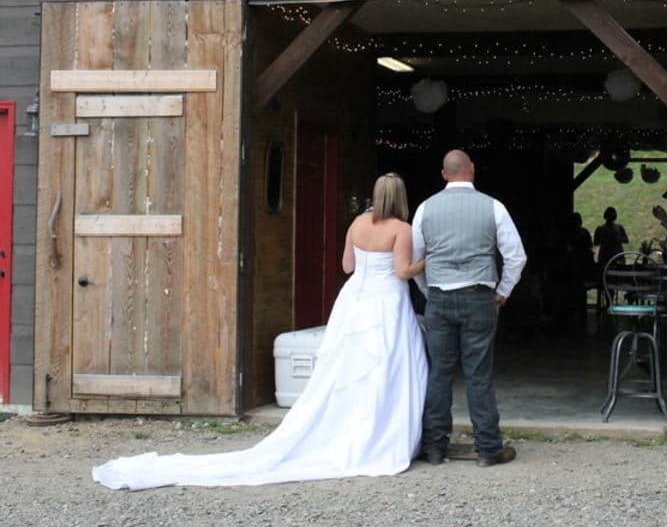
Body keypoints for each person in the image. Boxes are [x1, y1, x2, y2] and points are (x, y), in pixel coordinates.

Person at [92, 173, 428, 490]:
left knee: (345, 365)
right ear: (401, 198)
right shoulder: (402, 229)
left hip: (354, 300)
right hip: (385, 301)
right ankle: (376, 429)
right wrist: (427, 261)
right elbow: (402, 272)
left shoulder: (357, 224)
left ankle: (344, 424)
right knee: (385, 364)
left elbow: (347, 266)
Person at [412, 150, 527, 467]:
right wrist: (502, 291)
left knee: (439, 373)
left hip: (439, 296)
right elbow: (516, 256)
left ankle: (434, 447)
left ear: (443, 174)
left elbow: (416, 259)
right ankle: (488, 448)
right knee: (479, 374)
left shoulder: (425, 209)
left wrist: (429, 290)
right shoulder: (493, 207)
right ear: (472, 169)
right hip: (479, 296)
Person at [594, 205, 629, 276]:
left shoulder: (600, 229)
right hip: (615, 255)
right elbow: (626, 240)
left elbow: (596, 243)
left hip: (609, 256)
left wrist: (615, 239)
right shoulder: (618, 227)